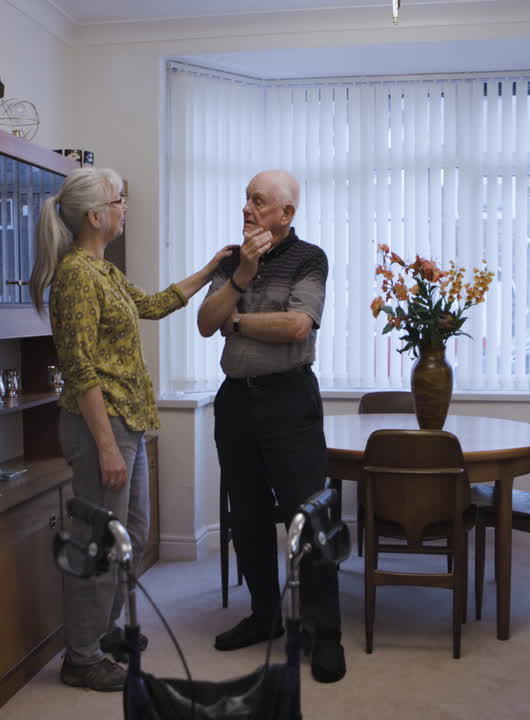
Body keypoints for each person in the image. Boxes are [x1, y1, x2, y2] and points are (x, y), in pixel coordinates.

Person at [32, 167, 232, 691]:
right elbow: (79, 368)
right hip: (102, 426)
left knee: (133, 535)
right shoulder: (76, 275)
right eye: (119, 201)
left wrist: (211, 268)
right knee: (99, 540)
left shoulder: (105, 272)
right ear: (96, 216)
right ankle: (82, 654)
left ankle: (104, 630)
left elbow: (154, 304)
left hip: (129, 422)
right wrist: (105, 445)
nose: (125, 208)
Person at [197, 169, 346, 683]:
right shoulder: (235, 260)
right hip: (236, 400)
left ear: (286, 213)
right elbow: (202, 322)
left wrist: (234, 321)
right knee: (249, 517)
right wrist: (240, 278)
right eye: (245, 199)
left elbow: (297, 324)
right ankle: (265, 617)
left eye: (258, 201)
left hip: (288, 399)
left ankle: (325, 634)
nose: (246, 208)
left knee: (309, 520)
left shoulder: (311, 258)